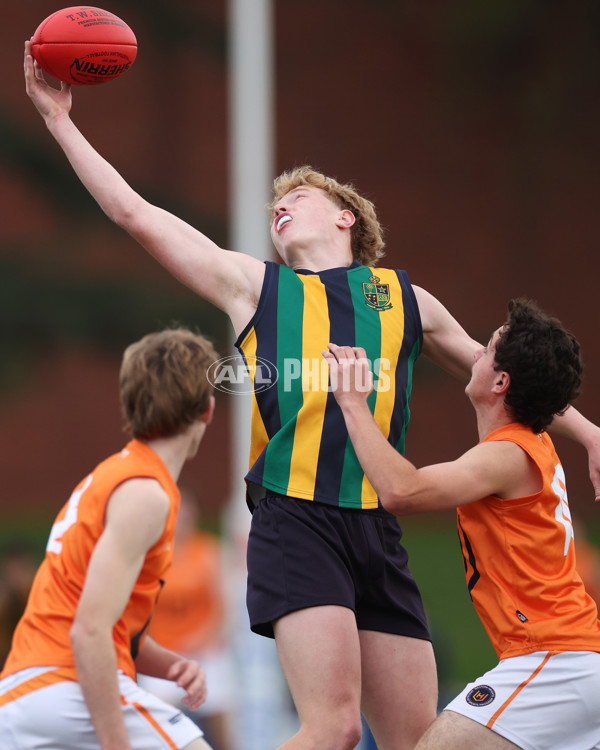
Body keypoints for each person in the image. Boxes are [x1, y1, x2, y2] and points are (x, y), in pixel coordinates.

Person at [23, 43, 600, 750]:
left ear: (347, 219)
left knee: (420, 738)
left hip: (378, 526)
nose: (281, 204)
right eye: (275, 202)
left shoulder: (405, 299)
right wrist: (59, 122)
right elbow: (136, 215)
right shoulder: (256, 288)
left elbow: (509, 371)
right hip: (297, 520)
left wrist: (590, 432)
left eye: (299, 195)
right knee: (331, 730)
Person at [324, 298, 600, 750]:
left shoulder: (508, 454)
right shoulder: (531, 444)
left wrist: (353, 404)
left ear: (501, 381)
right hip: (570, 661)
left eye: (487, 349)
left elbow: (402, 491)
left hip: (553, 660)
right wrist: (590, 432)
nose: (474, 353)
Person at [0, 327, 219, 750]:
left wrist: (169, 663)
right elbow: (89, 631)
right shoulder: (145, 493)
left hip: (28, 691)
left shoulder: (117, 476)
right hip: (65, 684)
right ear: (207, 409)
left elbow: (108, 624)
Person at [138, 487, 236, 750]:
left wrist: (204, 641)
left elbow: (225, 607)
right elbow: (140, 612)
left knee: (222, 717)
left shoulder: (209, 552)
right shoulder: (150, 557)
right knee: (157, 721)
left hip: (205, 651)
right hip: (165, 653)